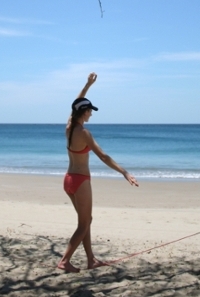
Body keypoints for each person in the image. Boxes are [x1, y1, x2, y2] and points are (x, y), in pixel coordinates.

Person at [58, 72, 140, 273]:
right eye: (89, 111)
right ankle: (64, 261)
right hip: (80, 180)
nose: (91, 114)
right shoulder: (84, 133)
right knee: (84, 224)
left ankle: (90, 260)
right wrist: (124, 172)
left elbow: (75, 102)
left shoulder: (69, 127)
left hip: (69, 179)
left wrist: (87, 85)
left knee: (85, 221)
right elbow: (103, 156)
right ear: (83, 112)